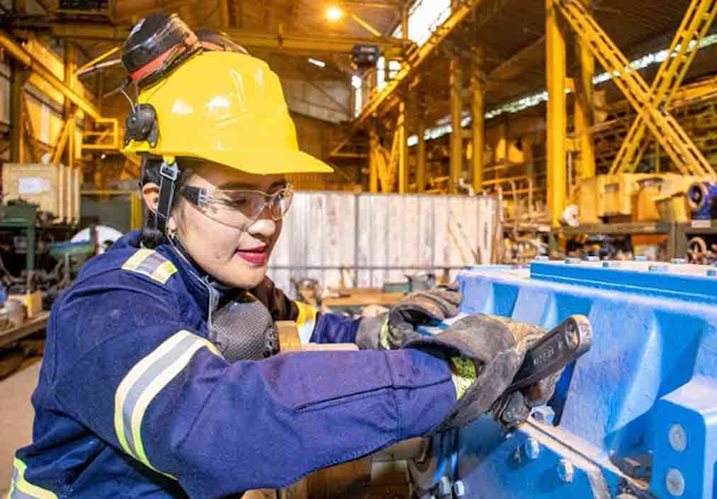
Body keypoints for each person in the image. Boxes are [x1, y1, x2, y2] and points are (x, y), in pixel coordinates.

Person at [8, 14, 561, 498]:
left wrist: (383, 333)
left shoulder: (226, 284)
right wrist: (446, 375)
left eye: (275, 194)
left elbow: (307, 327)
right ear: (161, 201)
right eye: (236, 199)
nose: (267, 222)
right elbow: (219, 424)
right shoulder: (108, 308)